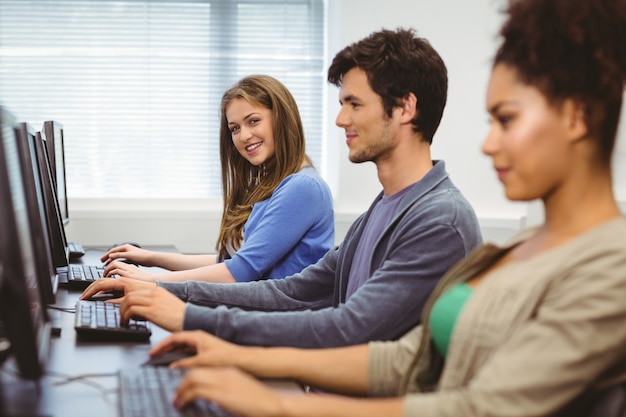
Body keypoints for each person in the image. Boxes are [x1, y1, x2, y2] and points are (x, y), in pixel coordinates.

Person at [146, 0, 626, 415]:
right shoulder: (520, 244)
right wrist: (222, 344)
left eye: (506, 119)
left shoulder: (605, 266)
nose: (487, 144)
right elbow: (404, 359)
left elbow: (478, 406)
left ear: (576, 116)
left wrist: (275, 399)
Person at [81, 28, 482, 347]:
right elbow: (292, 293)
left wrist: (180, 307)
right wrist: (173, 295)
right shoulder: (380, 212)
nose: (340, 119)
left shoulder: (440, 221)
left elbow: (348, 329)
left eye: (354, 104)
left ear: (405, 108)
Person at [101, 75, 335, 283]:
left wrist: (151, 281)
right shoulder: (274, 184)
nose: (244, 136)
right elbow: (229, 262)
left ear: (282, 119)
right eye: (234, 128)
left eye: (253, 121)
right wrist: (150, 259)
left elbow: (240, 271)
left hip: (280, 321)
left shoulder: (303, 187)